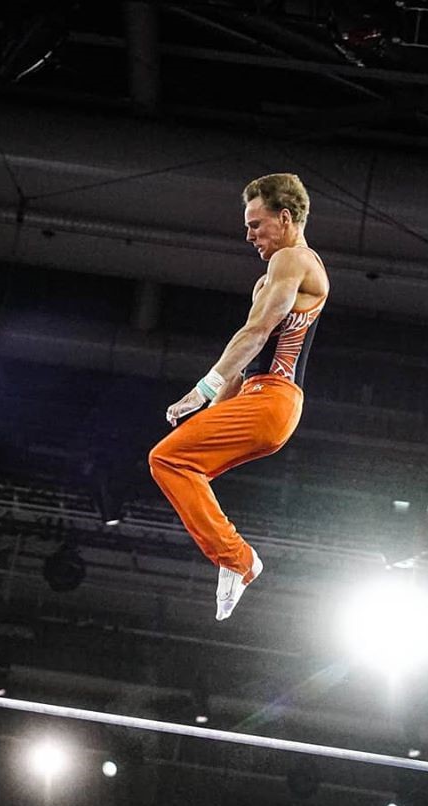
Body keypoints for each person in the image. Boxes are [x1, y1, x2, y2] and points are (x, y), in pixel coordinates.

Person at [148, 173, 330, 620]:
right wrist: (211, 410)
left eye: (256, 224)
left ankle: (240, 560)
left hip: (275, 399)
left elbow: (258, 331)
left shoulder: (295, 259)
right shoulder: (267, 279)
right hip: (257, 398)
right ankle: (233, 559)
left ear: (285, 218)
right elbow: (247, 360)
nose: (248, 234)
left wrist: (200, 389)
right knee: (182, 466)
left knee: (168, 460)